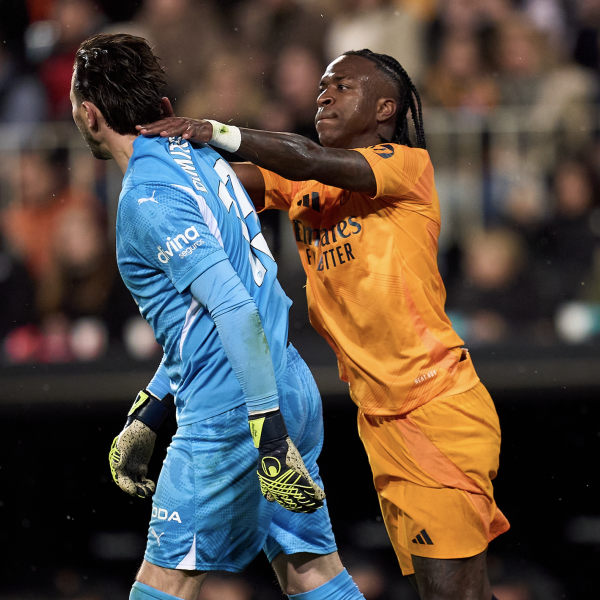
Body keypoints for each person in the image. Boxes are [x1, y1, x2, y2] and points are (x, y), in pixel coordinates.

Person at [139, 48, 510, 600]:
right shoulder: (301, 185)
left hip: (436, 407)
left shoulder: (407, 168)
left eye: (342, 85)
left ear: (385, 107)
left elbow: (307, 158)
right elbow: (214, 189)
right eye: (321, 87)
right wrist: (144, 153)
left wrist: (210, 129)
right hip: (382, 418)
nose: (324, 94)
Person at [70, 33, 366, 600]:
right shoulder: (203, 157)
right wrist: (152, 410)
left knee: (163, 582)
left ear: (90, 114)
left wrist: (266, 432)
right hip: (287, 382)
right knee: (312, 570)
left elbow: (230, 307)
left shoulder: (147, 197)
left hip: (234, 413)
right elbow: (209, 315)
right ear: (159, 107)